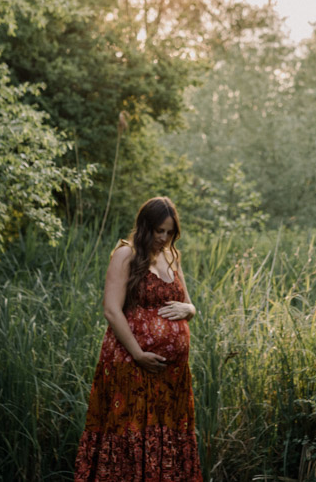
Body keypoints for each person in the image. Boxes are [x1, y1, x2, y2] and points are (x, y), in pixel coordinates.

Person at [74, 196, 202, 481]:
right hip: (132, 363)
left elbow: (188, 304)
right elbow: (111, 310)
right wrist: (138, 354)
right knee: (130, 429)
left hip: (171, 375)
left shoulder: (172, 256)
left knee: (164, 432)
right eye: (160, 231)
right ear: (145, 226)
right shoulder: (126, 254)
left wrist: (191, 309)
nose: (165, 237)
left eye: (170, 232)